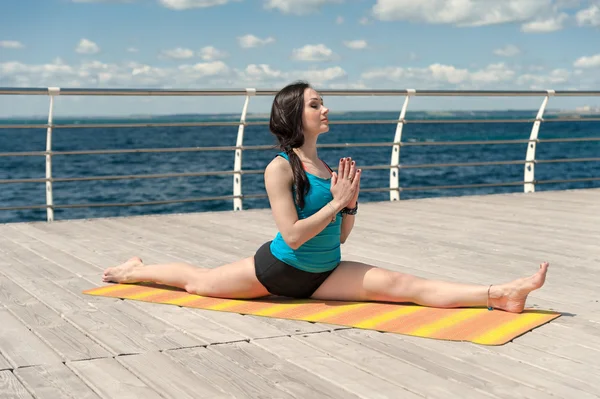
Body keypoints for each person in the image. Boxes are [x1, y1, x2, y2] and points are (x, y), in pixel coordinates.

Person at [103, 81, 549, 314]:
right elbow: (292, 237)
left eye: (323, 103)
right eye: (316, 104)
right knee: (197, 282)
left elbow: (341, 236)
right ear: (296, 114)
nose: (325, 109)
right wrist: (336, 203)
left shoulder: (329, 169)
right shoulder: (279, 168)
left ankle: (501, 294)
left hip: (325, 271)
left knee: (406, 286)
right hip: (277, 270)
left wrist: (350, 203)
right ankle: (134, 271)